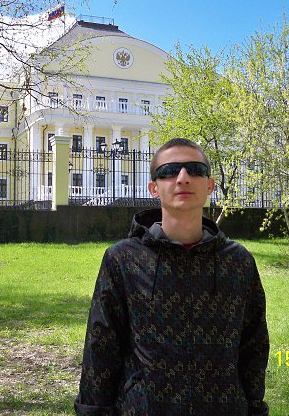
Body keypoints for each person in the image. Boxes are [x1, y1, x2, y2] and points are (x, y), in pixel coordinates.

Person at [75, 138, 269, 415]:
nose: (182, 178)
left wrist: (255, 408)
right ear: (153, 188)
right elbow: (101, 346)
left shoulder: (238, 262)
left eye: (195, 169)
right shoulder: (123, 259)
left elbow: (254, 345)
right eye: (169, 171)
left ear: (210, 185)